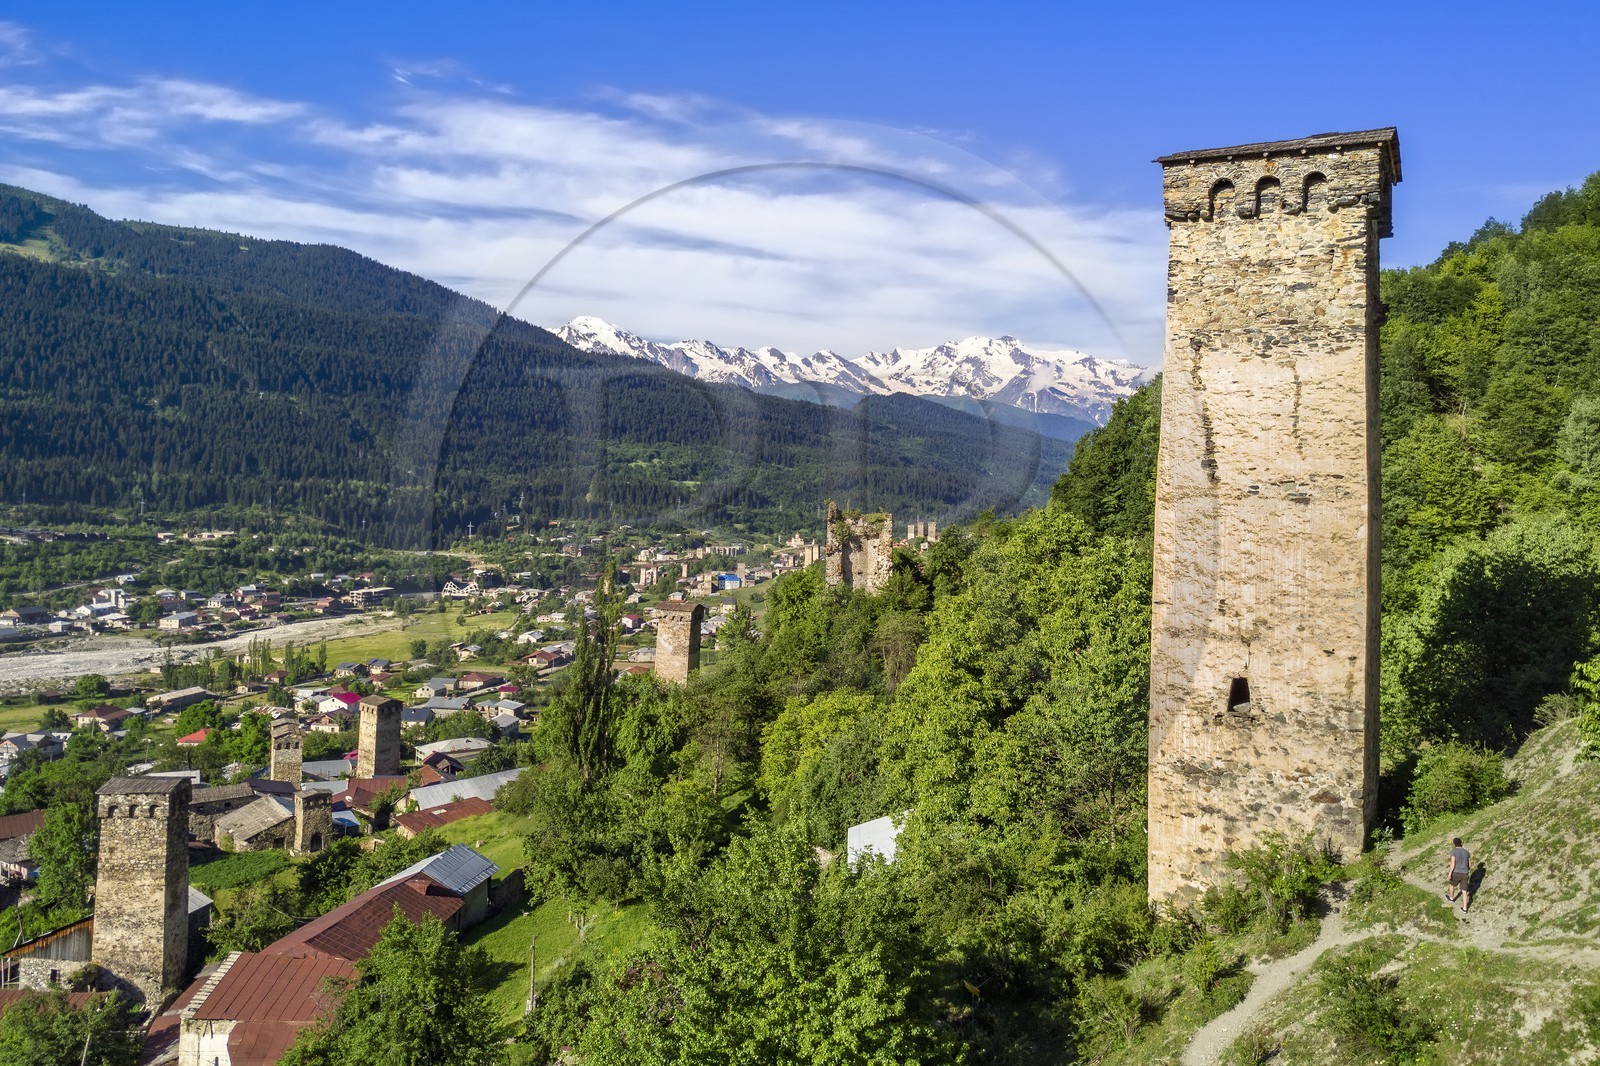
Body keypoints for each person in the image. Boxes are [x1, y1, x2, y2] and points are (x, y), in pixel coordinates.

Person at [1444, 837, 1472, 913]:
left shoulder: (1454, 851)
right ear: (1461, 843)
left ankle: (1451, 898)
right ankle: (1465, 908)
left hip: (1456, 872)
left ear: (1454, 844)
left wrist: (1450, 873)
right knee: (1464, 891)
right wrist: (1466, 870)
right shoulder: (1467, 852)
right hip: (1465, 873)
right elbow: (1470, 865)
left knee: (1452, 885)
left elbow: (1453, 863)